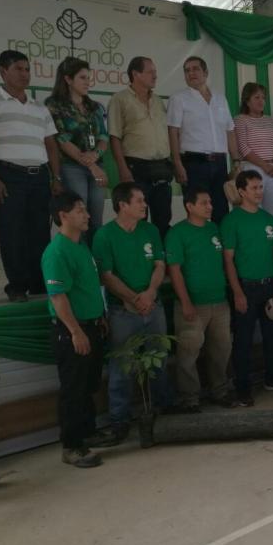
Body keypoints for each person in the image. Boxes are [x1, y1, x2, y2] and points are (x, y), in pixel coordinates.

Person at [0, 50, 60, 303]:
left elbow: (51, 146)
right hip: (9, 175)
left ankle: (38, 282)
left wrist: (56, 177)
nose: (25, 74)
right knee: (11, 232)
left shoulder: (39, 107)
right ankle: (16, 286)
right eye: (18, 69)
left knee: (39, 232)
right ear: (3, 71)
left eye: (27, 69)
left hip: (39, 177)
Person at [92, 183, 172, 441]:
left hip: (153, 305)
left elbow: (160, 265)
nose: (144, 205)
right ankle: (120, 421)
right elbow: (106, 276)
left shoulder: (150, 230)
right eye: (139, 201)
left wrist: (150, 293)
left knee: (159, 359)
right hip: (122, 312)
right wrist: (133, 298)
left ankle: (163, 410)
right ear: (122, 205)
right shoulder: (104, 235)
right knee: (121, 368)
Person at [41, 191, 107, 468]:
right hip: (72, 330)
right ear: (63, 215)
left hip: (93, 325)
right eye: (80, 210)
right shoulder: (57, 252)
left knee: (88, 384)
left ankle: (88, 431)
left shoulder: (81, 246)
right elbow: (58, 297)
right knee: (73, 389)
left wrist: (100, 316)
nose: (87, 215)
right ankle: (72, 446)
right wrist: (75, 332)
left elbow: (89, 287)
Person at [221, 170, 273, 406]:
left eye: (261, 187)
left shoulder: (268, 219)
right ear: (241, 191)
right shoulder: (232, 221)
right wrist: (237, 292)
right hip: (246, 287)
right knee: (243, 340)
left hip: (270, 285)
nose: (259, 192)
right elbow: (228, 259)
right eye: (254, 188)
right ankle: (243, 387)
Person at [165, 186, 236, 412]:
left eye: (210, 202)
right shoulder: (177, 233)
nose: (210, 207)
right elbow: (174, 270)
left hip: (219, 301)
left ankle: (220, 391)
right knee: (188, 353)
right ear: (189, 206)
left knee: (222, 349)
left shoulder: (214, 229)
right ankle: (190, 399)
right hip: (193, 304)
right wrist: (185, 302)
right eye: (204, 203)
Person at [46, 57, 109, 245]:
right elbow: (62, 140)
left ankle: (95, 259)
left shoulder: (95, 107)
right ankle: (77, 258)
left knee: (95, 219)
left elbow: (103, 137)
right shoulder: (54, 105)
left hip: (96, 165)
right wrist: (93, 166)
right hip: (71, 167)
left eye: (89, 78)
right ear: (68, 79)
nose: (87, 82)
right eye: (82, 77)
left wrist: (96, 155)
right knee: (77, 218)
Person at [168, 56, 238, 224]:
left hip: (220, 163)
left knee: (221, 210)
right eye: (187, 70)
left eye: (195, 69)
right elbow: (172, 132)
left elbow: (229, 130)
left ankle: (219, 241)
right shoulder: (178, 98)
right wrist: (177, 163)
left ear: (205, 73)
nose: (191, 73)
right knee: (197, 212)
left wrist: (236, 161)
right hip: (194, 163)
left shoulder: (220, 99)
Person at [108, 56, 173, 239]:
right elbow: (114, 137)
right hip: (136, 168)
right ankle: (140, 255)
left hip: (161, 167)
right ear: (135, 74)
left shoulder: (158, 101)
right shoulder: (119, 99)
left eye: (155, 72)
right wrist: (123, 168)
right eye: (150, 72)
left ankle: (161, 256)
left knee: (163, 219)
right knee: (137, 220)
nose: (155, 76)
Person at [234, 82, 273, 218]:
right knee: (253, 209)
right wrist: (264, 165)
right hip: (252, 168)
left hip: (272, 170)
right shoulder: (240, 120)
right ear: (247, 101)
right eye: (257, 97)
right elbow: (243, 148)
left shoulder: (269, 120)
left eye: (263, 98)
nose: (261, 101)